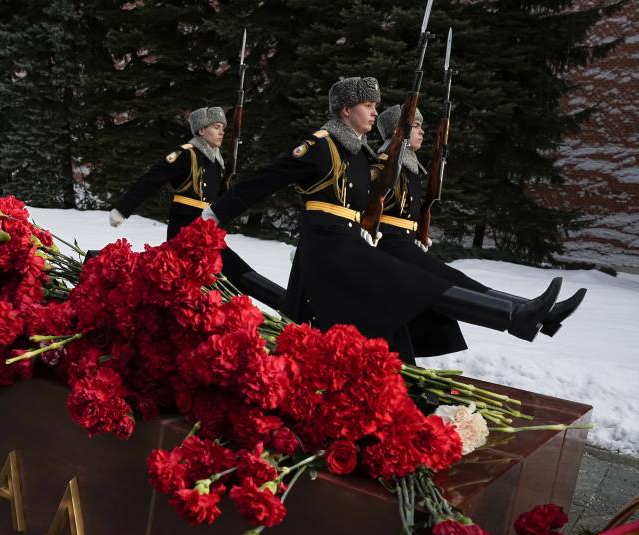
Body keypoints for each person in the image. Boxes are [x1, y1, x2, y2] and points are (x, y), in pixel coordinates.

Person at [202, 76, 564, 362]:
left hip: (349, 245)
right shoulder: (319, 147)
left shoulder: (357, 154)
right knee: (416, 283)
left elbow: (370, 205)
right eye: (367, 105)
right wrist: (216, 214)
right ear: (345, 110)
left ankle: (517, 318)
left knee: (409, 292)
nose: (374, 112)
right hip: (326, 246)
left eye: (375, 105)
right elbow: (264, 181)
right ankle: (515, 318)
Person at [372, 104, 586, 355]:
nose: (422, 132)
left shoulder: (408, 166)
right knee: (447, 286)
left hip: (403, 244)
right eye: (416, 126)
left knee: (458, 280)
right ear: (399, 131)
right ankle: (521, 316)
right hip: (390, 246)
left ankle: (538, 312)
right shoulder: (386, 165)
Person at [108, 107, 285, 309]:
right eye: (216, 127)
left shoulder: (215, 161)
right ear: (201, 131)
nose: (221, 132)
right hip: (184, 234)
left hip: (206, 233)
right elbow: (150, 180)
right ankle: (287, 304)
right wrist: (123, 209)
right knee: (230, 274)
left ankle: (286, 303)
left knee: (229, 277)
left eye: (223, 128)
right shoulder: (186, 155)